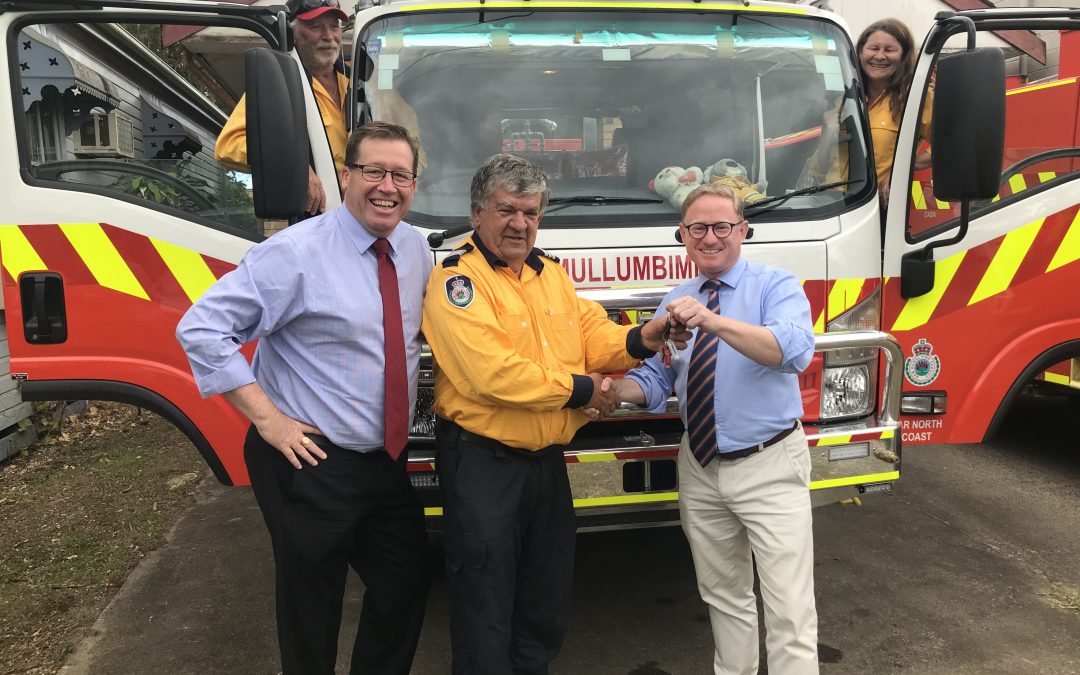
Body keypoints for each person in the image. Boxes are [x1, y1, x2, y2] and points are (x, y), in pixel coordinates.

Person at [177, 122, 432, 675]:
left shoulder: (415, 249)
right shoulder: (295, 252)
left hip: (385, 461)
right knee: (312, 608)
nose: (387, 186)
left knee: (406, 582)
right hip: (308, 458)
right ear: (346, 176)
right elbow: (201, 329)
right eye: (373, 171)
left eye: (401, 174)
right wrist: (270, 423)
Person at [420, 153, 688, 674]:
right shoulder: (457, 282)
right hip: (482, 465)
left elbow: (591, 334)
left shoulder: (551, 276)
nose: (520, 223)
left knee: (544, 596)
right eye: (506, 210)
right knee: (484, 598)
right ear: (478, 213)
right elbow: (492, 373)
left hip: (546, 463)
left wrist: (643, 337)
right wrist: (586, 389)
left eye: (531, 212)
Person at [612, 183, 818, 675]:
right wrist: (610, 392)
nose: (710, 237)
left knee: (789, 609)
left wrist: (711, 321)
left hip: (769, 462)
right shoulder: (676, 299)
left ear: (743, 230)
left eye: (722, 226)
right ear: (682, 235)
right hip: (701, 466)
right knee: (724, 598)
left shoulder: (775, 285)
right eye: (698, 228)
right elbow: (659, 378)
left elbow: (793, 351)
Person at [215, 0, 350, 215]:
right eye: (316, 27)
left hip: (366, 216)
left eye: (334, 27)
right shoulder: (279, 83)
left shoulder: (358, 81)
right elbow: (229, 146)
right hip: (318, 218)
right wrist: (297, 170)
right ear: (294, 34)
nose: (328, 36)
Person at [811, 17, 932, 207]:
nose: (880, 56)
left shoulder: (915, 97)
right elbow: (821, 166)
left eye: (889, 50)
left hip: (875, 207)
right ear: (859, 52)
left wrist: (901, 171)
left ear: (903, 56)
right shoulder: (843, 97)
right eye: (874, 48)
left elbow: (947, 144)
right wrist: (827, 136)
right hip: (830, 205)